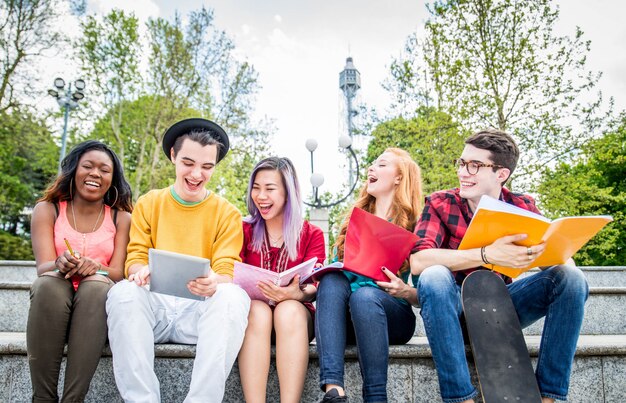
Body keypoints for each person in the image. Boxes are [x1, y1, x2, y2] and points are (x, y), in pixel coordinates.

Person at [410, 129, 589, 403]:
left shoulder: (523, 205)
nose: (463, 172)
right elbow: (419, 261)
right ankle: (461, 399)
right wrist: (487, 254)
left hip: (501, 309)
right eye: (462, 163)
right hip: (451, 310)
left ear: (501, 174)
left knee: (572, 277)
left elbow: (561, 263)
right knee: (434, 275)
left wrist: (550, 254)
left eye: (475, 165)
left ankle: (549, 397)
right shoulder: (440, 202)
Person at [105, 118, 251, 403]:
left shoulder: (227, 213)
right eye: (188, 163)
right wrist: (139, 271)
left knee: (233, 296)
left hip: (198, 314)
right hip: (154, 308)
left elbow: (226, 268)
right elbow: (134, 257)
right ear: (173, 156)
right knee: (122, 291)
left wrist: (214, 282)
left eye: (207, 167)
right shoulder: (150, 202)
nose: (197, 174)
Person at [27, 140, 133, 403]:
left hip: (94, 306)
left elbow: (118, 273)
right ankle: (42, 398)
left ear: (112, 179)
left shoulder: (121, 218)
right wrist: (60, 263)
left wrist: (97, 267)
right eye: (88, 166)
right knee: (48, 284)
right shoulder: (47, 209)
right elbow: (43, 266)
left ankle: (73, 400)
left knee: (96, 285)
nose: (95, 173)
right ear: (74, 170)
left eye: (104, 170)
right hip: (53, 302)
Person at [316, 148, 423, 403]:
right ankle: (334, 392)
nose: (371, 169)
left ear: (399, 177)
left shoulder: (416, 224)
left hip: (392, 316)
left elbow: (424, 296)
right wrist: (314, 286)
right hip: (350, 319)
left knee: (365, 296)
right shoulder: (354, 220)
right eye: (372, 164)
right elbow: (337, 271)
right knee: (331, 279)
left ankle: (376, 397)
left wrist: (403, 289)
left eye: (382, 164)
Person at [238, 156, 326, 403]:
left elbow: (315, 282)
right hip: (254, 320)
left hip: (295, 321)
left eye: (269, 189)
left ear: (288, 193)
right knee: (258, 309)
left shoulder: (311, 234)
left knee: (288, 309)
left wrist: (296, 294)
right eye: (256, 188)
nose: (261, 196)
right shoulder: (242, 229)